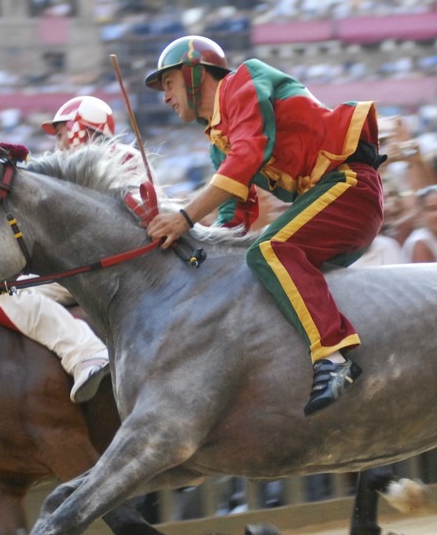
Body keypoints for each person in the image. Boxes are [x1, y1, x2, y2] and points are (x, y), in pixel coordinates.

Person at [143, 35, 386, 416]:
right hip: (327, 197)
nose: (164, 97)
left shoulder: (245, 81)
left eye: (168, 83)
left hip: (349, 186)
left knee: (271, 250)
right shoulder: (217, 140)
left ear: (194, 75)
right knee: (252, 265)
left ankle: (335, 359)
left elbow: (246, 158)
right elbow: (235, 217)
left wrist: (185, 217)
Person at [0, 96, 146, 403]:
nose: (57, 143)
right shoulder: (64, 173)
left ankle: (87, 354)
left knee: (0, 295)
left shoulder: (119, 155)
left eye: (60, 133)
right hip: (81, 266)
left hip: (113, 267)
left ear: (81, 128)